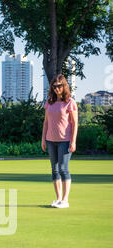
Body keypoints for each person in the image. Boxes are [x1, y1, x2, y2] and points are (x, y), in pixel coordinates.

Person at [41, 74, 78, 208]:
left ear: (64, 86)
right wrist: (43, 139)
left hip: (65, 141)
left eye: (59, 86)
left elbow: (75, 124)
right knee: (54, 170)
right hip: (51, 140)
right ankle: (58, 199)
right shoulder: (49, 102)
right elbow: (46, 122)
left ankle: (65, 200)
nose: (57, 89)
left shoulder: (70, 102)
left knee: (63, 169)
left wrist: (73, 141)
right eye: (54, 86)